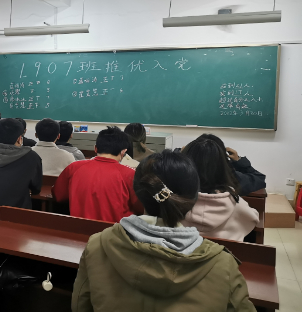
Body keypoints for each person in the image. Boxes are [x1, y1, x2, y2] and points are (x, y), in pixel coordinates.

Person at [72, 150, 255, 312]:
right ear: (193, 197)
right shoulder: (223, 265)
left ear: (137, 191)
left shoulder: (97, 245)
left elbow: (80, 305)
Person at [52, 126, 143, 222]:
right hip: (115, 230)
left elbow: (58, 195)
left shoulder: (74, 167)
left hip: (78, 227)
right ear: (123, 152)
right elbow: (141, 208)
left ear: (95, 148)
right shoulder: (130, 174)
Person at [181, 138, 259, 242]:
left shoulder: (172, 200)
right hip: (223, 251)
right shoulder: (234, 201)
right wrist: (240, 161)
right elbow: (253, 218)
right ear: (223, 165)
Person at [198, 133, 266, 196]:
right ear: (223, 155)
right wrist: (239, 161)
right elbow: (259, 179)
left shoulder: (192, 179)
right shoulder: (231, 178)